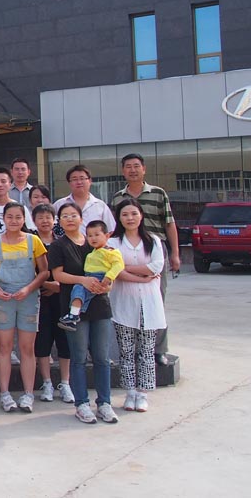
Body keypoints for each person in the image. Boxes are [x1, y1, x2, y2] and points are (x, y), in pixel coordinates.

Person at [50, 202, 119, 425]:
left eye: (74, 215)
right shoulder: (58, 246)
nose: (70, 219)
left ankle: (104, 403)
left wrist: (106, 285)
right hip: (74, 308)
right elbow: (58, 276)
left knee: (102, 357)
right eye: (65, 216)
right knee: (78, 357)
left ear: (81, 218)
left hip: (100, 305)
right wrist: (83, 280)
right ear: (59, 221)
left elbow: (113, 268)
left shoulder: (95, 241)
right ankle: (81, 404)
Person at [112, 153, 179, 366]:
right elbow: (114, 228)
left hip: (153, 251)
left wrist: (175, 253)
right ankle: (130, 349)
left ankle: (158, 349)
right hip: (124, 250)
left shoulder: (158, 193)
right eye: (128, 166)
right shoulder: (118, 197)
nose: (132, 170)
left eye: (136, 166)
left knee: (156, 300)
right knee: (126, 301)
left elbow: (169, 224)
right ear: (123, 171)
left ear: (144, 169)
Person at [0, 202, 48, 414]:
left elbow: (44, 272)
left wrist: (28, 288)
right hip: (3, 299)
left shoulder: (34, 241)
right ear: (3, 218)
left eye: (18, 217)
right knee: (4, 348)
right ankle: (5, 394)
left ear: (24, 219)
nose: (14, 221)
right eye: (9, 217)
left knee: (27, 348)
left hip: (28, 298)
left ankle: (28, 394)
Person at [108, 199, 167, 413]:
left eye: (134, 213)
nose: (130, 218)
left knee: (147, 350)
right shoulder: (113, 243)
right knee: (126, 351)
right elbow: (115, 270)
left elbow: (156, 266)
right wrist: (142, 275)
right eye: (125, 214)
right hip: (123, 302)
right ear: (119, 218)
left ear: (141, 215)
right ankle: (130, 392)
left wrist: (127, 268)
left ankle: (143, 394)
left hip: (149, 303)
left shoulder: (153, 240)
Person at [31, 203, 74, 405]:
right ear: (34, 220)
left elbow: (74, 269)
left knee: (64, 340)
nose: (44, 221)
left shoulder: (64, 241)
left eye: (48, 217)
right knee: (43, 341)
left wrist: (59, 287)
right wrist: (46, 284)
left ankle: (65, 383)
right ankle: (47, 382)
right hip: (39, 298)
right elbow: (25, 270)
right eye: (40, 218)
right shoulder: (30, 241)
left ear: (54, 220)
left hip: (63, 298)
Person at [58, 220, 124, 331]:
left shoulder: (110, 251)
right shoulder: (92, 252)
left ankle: (73, 315)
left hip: (100, 276)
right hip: (89, 276)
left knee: (79, 289)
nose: (93, 238)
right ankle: (74, 315)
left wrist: (109, 277)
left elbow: (119, 265)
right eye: (90, 236)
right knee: (81, 293)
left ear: (107, 236)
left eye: (97, 235)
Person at [54, 165, 116, 232]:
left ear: (90, 181)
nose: (79, 182)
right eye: (74, 179)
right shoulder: (59, 205)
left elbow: (111, 230)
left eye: (82, 178)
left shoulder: (101, 206)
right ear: (69, 183)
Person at [0, 167, 34, 238]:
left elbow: (30, 232)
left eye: (3, 181)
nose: (0, 184)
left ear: (10, 184)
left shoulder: (20, 208)